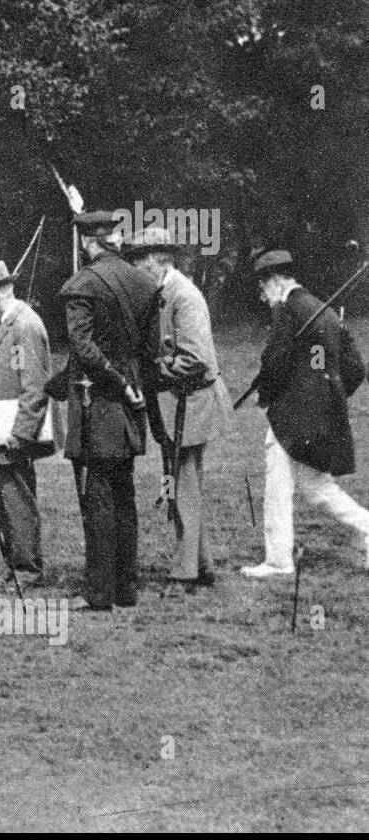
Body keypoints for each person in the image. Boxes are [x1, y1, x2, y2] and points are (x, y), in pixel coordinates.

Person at [51, 211, 160, 611]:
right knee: (124, 493)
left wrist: (118, 382)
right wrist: (137, 387)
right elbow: (151, 351)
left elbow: (82, 347)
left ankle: (99, 594)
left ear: (86, 242)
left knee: (97, 495)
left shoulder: (83, 285)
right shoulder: (144, 282)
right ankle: (126, 590)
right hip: (131, 403)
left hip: (98, 400)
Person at [240, 248, 369, 578]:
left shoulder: (288, 311)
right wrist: (331, 396)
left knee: (278, 487)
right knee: (316, 488)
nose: (262, 296)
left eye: (262, 287)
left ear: (274, 281)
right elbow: (355, 368)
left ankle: (279, 559)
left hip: (291, 417)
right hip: (321, 416)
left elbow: (275, 362)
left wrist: (267, 396)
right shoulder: (324, 311)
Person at [126, 227, 231, 590]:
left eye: (139, 259)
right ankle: (202, 564)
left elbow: (197, 358)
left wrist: (154, 370)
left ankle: (186, 571)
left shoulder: (184, 295)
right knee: (181, 483)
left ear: (158, 260)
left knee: (184, 486)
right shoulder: (161, 292)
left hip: (193, 403)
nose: (135, 267)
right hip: (175, 404)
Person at [0, 258, 55, 589]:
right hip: (0, 430)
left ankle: (27, 568)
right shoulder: (9, 324)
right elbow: (15, 367)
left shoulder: (25, 325)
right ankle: (16, 563)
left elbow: (35, 387)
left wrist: (20, 435)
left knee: (17, 501)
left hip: (12, 433)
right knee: (6, 501)